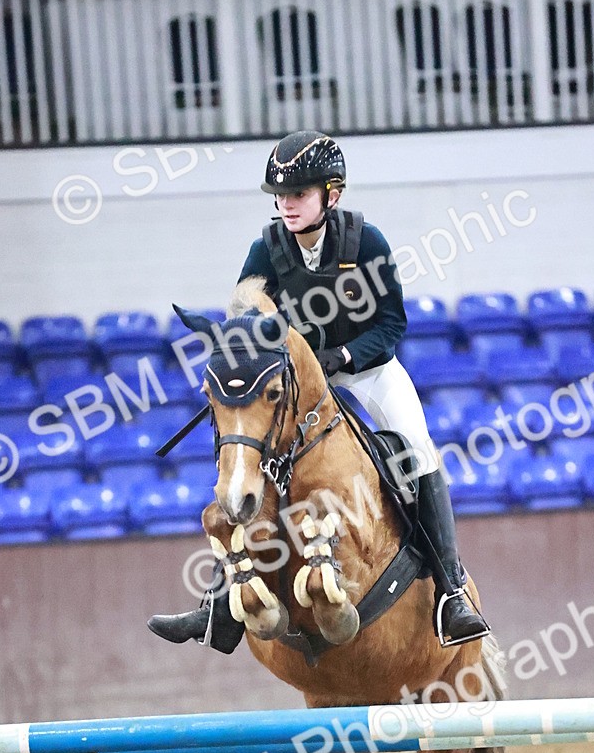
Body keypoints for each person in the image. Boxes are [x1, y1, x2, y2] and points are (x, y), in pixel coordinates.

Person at [149, 130, 489, 651]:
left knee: (417, 450)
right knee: (248, 459)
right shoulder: (266, 250)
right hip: (300, 381)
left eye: (300, 194)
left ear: (332, 194)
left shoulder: (366, 242)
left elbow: (392, 323)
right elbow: (244, 323)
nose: (287, 205)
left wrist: (345, 357)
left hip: (369, 368)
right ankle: (220, 605)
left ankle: (450, 591)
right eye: (281, 196)